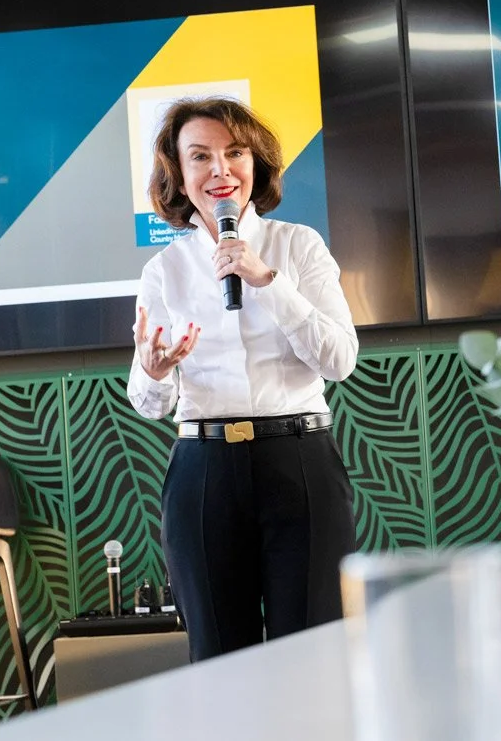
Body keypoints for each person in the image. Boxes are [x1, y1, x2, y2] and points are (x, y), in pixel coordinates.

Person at [127, 96, 358, 662]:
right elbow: (148, 401)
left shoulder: (299, 246)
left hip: (298, 461)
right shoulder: (165, 270)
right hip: (204, 473)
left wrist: (268, 282)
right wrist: (155, 372)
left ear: (257, 164)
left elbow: (340, 360)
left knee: (310, 656)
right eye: (200, 156)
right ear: (179, 176)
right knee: (218, 661)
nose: (220, 170)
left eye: (235, 153)